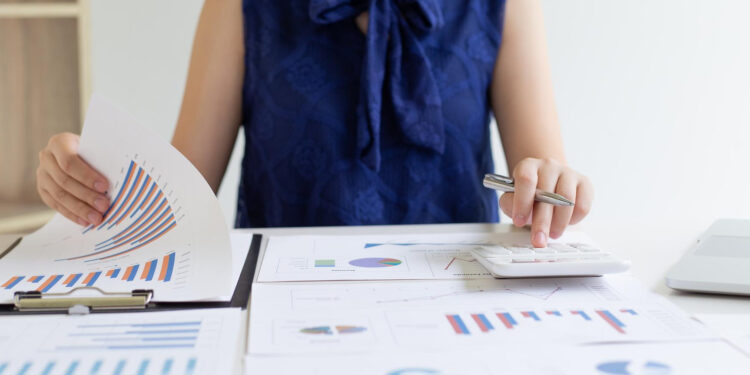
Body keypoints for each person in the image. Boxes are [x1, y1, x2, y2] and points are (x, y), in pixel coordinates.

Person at [35, 0, 592, 248]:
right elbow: (176, 203)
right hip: (278, 323)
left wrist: (551, 188)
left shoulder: (503, 4)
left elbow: (542, 191)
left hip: (450, 311)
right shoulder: (240, 5)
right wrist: (86, 173)